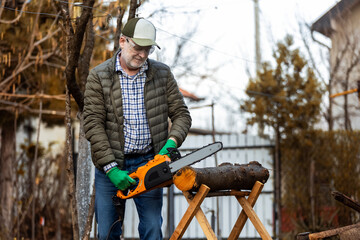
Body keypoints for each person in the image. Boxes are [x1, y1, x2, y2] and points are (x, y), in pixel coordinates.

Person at [83, 17, 191, 240]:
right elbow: (93, 124)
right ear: (122, 41)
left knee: (152, 228)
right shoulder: (99, 76)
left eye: (147, 49)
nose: (142, 54)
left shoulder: (161, 74)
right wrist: (111, 169)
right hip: (110, 164)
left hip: (150, 162)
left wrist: (170, 145)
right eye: (138, 48)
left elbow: (181, 114)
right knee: (107, 233)